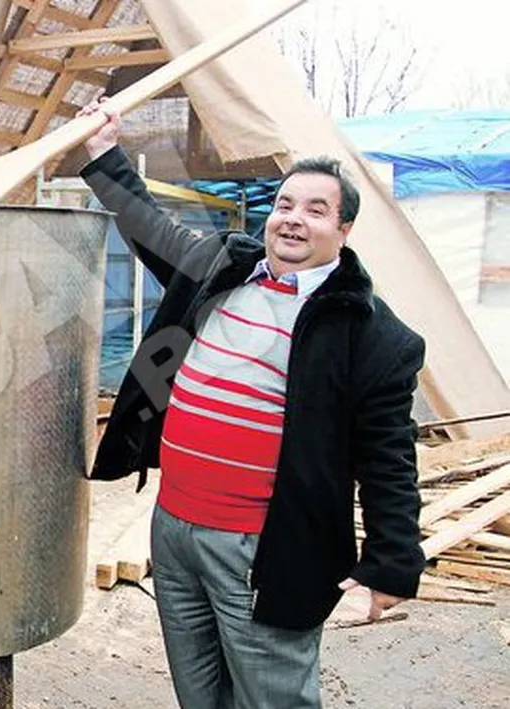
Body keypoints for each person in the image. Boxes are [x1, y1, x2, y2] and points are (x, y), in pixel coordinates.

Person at [78, 91, 426, 708]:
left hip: (262, 548)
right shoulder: (220, 269)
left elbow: (388, 458)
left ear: (344, 230)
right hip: (174, 529)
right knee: (199, 692)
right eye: (285, 204)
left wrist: (391, 562)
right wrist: (103, 150)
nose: (293, 219)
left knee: (271, 697)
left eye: (316, 210)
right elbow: (148, 225)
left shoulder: (369, 333)